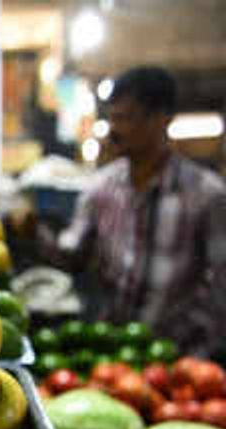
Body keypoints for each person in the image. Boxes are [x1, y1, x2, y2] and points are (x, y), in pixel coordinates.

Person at [13, 65, 226, 356]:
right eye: (111, 117)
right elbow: (72, 255)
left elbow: (221, 287)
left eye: (124, 118)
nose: (113, 129)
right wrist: (35, 231)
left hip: (181, 361)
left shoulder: (207, 195)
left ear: (161, 120)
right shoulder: (100, 188)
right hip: (113, 353)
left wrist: (202, 351)